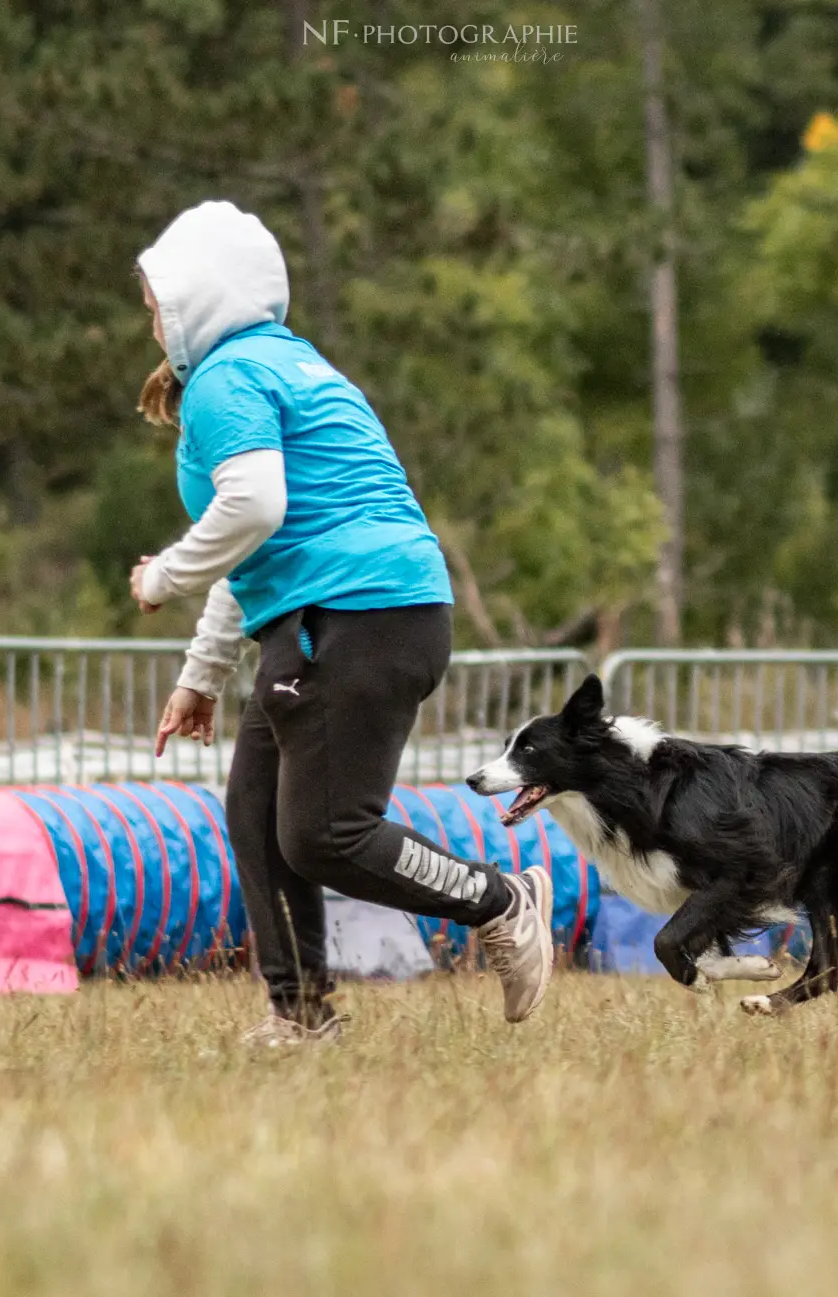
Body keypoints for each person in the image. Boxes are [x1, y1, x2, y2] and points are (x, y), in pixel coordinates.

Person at [126, 199, 554, 1044]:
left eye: (156, 303)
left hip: (353, 614)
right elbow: (258, 544)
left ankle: (502, 900)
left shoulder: (225, 378)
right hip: (362, 610)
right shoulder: (287, 362)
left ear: (197, 300)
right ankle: (301, 1015)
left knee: (324, 833)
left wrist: (163, 575)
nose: (149, 320)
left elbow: (251, 506)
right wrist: (201, 674)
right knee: (256, 814)